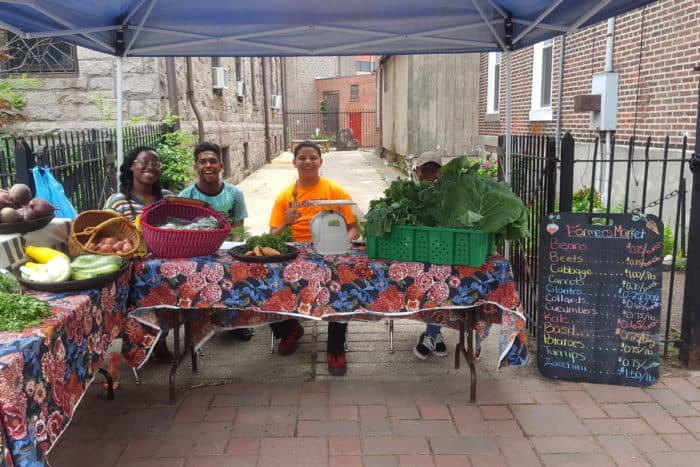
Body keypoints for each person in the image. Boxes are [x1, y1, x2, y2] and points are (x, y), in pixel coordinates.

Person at [268, 140, 360, 376]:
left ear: (321, 161)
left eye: (313, 158)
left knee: (341, 281)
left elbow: (354, 228)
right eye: (302, 158)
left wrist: (341, 244)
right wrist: (286, 222)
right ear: (294, 162)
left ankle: (336, 347)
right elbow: (272, 236)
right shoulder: (285, 196)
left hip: (330, 251)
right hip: (294, 251)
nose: (307, 162)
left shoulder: (334, 191)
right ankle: (288, 329)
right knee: (264, 280)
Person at [104, 146, 174, 361]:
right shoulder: (117, 202)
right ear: (131, 167)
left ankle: (160, 338)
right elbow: (107, 238)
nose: (150, 167)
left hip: (163, 265)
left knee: (174, 283)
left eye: (156, 164)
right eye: (144, 162)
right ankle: (140, 343)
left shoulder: (168, 199)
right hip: (129, 269)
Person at [179, 141, 254, 341]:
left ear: (221, 165)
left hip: (228, 251)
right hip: (197, 252)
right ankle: (203, 321)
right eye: (202, 162)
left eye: (213, 161)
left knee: (240, 270)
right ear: (196, 167)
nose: (208, 165)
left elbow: (239, 231)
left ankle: (237, 321)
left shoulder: (234, 194)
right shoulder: (186, 197)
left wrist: (229, 252)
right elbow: (183, 232)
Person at [411, 151, 450, 360]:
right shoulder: (410, 193)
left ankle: (431, 334)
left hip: (444, 252)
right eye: (424, 170)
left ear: (440, 171)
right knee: (431, 282)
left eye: (433, 170)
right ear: (417, 172)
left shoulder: (448, 194)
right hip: (415, 255)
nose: (429, 174)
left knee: (441, 282)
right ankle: (435, 334)